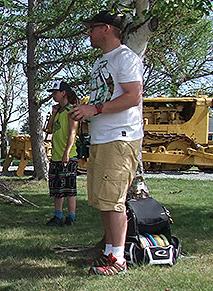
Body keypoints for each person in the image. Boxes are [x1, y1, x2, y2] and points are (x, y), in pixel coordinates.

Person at [70, 10, 144, 276]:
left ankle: (118, 259)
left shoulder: (125, 58)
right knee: (103, 199)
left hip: (120, 137)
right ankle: (109, 252)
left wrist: (96, 110)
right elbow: (108, 96)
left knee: (114, 200)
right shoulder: (101, 62)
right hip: (102, 138)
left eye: (92, 28)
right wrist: (85, 109)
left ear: (107, 29)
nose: (88, 33)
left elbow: (133, 97)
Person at [43, 81, 80, 227]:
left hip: (68, 155)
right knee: (57, 188)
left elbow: (72, 132)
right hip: (56, 156)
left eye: (55, 92)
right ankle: (57, 216)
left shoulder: (71, 110)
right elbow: (50, 130)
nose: (53, 95)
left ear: (63, 93)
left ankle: (71, 217)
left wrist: (66, 153)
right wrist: (53, 114)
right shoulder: (59, 112)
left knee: (69, 188)